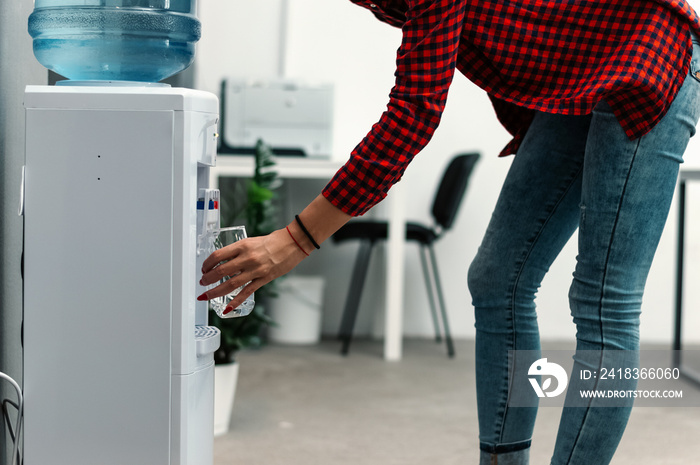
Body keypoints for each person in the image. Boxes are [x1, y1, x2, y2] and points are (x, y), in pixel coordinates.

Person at [198, 1, 700, 463]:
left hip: (651, 56)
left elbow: (413, 113)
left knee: (603, 301)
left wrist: (296, 239)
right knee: (497, 279)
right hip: (586, 72)